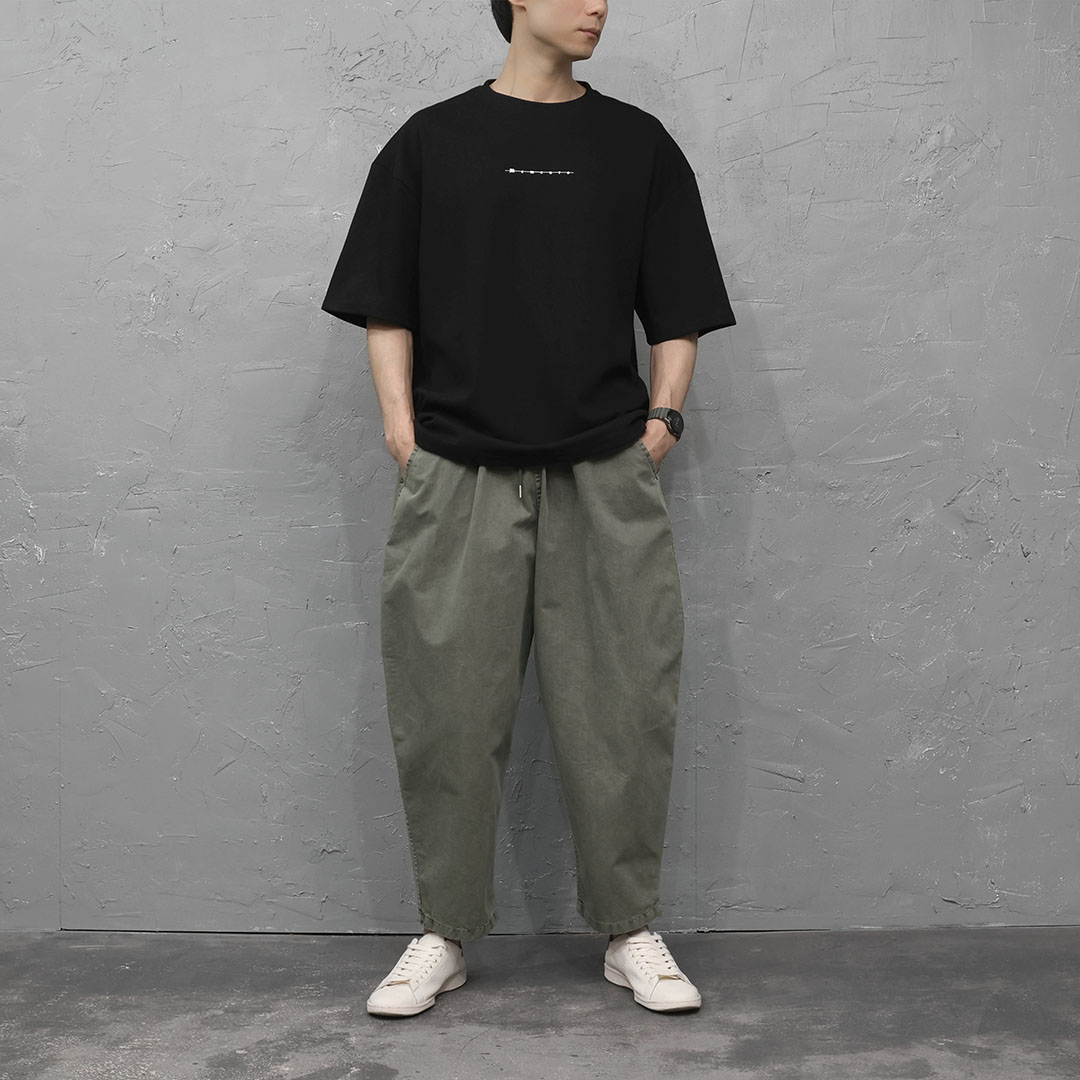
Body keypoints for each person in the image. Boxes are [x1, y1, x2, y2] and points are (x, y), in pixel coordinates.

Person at [321, 0, 736, 1017]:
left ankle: (629, 930)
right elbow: (385, 302)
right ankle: (444, 931)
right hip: (457, 470)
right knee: (445, 713)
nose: (599, 4)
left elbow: (679, 306)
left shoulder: (636, 145)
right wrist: (403, 435)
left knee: (624, 707)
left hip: (604, 471)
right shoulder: (431, 144)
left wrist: (663, 422)